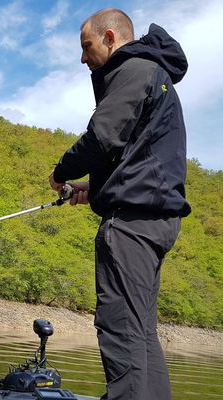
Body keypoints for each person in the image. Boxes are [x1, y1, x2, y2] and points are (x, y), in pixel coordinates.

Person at [48, 8, 191, 400]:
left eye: (86, 46)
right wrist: (92, 189)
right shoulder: (154, 75)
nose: (82, 58)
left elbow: (101, 138)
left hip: (130, 227)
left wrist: (60, 174)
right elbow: (136, 162)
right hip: (153, 222)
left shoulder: (133, 70)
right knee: (142, 333)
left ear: (110, 37)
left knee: (121, 330)